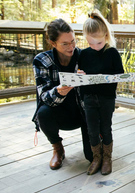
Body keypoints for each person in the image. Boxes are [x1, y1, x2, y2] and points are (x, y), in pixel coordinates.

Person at [32, 18, 93, 170]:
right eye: (65, 44)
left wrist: (88, 79)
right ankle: (58, 149)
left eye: (73, 41)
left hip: (84, 112)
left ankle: (97, 146)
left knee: (92, 157)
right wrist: (59, 92)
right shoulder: (41, 61)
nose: (71, 47)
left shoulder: (84, 56)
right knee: (43, 113)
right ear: (53, 43)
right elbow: (44, 97)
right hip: (58, 113)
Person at [79, 10, 124, 175]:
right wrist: (80, 76)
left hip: (106, 98)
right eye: (91, 43)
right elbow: (79, 78)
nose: (95, 47)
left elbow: (120, 74)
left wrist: (109, 77)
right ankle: (96, 157)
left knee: (106, 127)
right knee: (92, 129)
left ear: (105, 36)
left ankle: (107, 158)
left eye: (98, 43)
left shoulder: (111, 52)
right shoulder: (83, 54)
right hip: (89, 99)